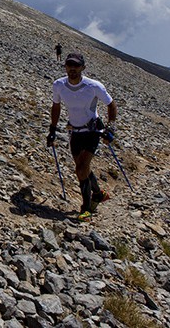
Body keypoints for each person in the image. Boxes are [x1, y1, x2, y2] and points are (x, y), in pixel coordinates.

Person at [47, 52, 117, 221]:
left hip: (92, 130)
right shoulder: (59, 85)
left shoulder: (93, 86)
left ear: (83, 68)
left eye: (76, 66)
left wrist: (111, 128)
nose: (72, 69)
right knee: (82, 167)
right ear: (65, 67)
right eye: (69, 65)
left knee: (80, 168)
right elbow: (56, 106)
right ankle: (99, 194)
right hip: (75, 131)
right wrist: (52, 129)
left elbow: (111, 104)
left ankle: (85, 208)